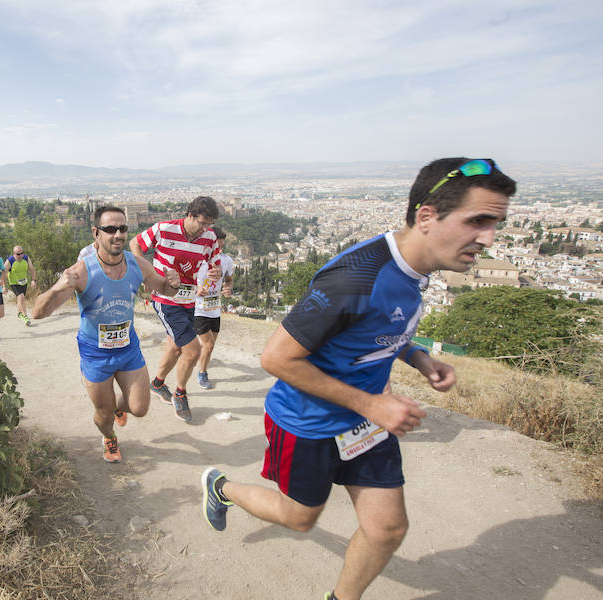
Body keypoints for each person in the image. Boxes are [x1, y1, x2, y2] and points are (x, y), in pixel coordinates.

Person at [200, 158, 516, 600]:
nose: (488, 238)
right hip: (307, 423)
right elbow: (276, 358)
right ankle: (221, 486)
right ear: (427, 216)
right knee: (299, 518)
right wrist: (370, 403)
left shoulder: (414, 268)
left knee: (386, 529)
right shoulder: (355, 277)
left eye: (496, 223)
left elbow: (378, 325)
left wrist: (421, 359)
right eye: (478, 221)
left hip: (366, 421)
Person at [32, 206, 181, 463]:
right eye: (110, 229)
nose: (118, 234)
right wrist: (57, 288)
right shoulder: (82, 271)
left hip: (128, 349)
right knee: (103, 413)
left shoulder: (137, 264)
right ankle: (109, 437)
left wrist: (174, 283)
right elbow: (37, 313)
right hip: (95, 353)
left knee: (139, 408)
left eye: (122, 229)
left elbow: (166, 290)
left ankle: (117, 409)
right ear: (96, 233)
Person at [129, 195, 221, 423]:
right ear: (190, 215)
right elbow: (135, 244)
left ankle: (157, 384)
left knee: (175, 348)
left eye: (209, 224)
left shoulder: (209, 238)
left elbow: (214, 264)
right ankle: (180, 393)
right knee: (192, 351)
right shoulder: (164, 228)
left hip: (190, 300)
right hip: (165, 297)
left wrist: (213, 274)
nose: (205, 229)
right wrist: (146, 273)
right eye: (201, 223)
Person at [194, 226, 234, 390]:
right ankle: (202, 374)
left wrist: (227, 288)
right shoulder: (196, 259)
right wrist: (196, 290)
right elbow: (183, 282)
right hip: (197, 308)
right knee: (208, 344)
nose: (219, 249)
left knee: (208, 347)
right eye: (216, 246)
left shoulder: (226, 260)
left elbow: (229, 279)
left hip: (214, 309)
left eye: (221, 246)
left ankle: (197, 359)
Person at [4, 245, 37, 326]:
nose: (20, 255)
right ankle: (25, 317)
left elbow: (32, 269)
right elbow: (3, 273)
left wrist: (33, 280)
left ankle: (19, 313)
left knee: (20, 299)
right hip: (14, 283)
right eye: (18, 254)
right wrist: (4, 286)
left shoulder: (26, 258)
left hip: (23, 282)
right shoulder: (10, 261)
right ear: (14, 254)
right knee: (21, 297)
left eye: (22, 253)